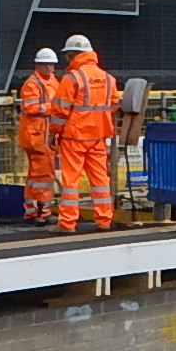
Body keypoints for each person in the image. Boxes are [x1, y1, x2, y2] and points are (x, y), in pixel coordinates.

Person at [49, 33, 118, 233]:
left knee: (71, 181)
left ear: (72, 55)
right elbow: (113, 105)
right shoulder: (108, 78)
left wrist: (53, 132)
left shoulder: (72, 78)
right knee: (100, 179)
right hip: (98, 136)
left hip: (74, 136)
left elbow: (60, 111)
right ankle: (104, 220)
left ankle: (67, 223)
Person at [17, 47, 60, 224]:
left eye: (52, 64)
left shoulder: (53, 82)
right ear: (39, 65)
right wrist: (54, 109)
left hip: (44, 135)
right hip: (37, 136)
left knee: (37, 176)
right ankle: (42, 212)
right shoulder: (33, 84)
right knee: (42, 175)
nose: (50, 68)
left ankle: (33, 210)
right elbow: (31, 107)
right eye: (46, 64)